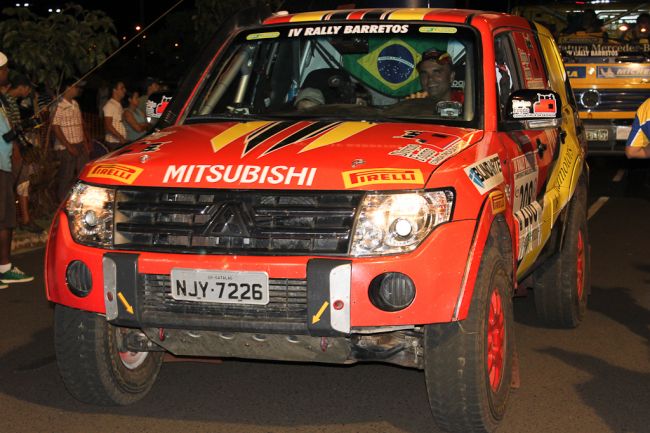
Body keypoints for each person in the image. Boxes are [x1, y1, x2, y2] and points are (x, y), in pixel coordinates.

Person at [0, 51, 34, 288]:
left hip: (4, 165)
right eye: (4, 69)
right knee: (3, 220)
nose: (6, 72)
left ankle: (4, 268)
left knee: (5, 220)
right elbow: (5, 134)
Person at [4, 74, 42, 233]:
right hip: (11, 150)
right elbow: (10, 128)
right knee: (18, 184)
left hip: (14, 148)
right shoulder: (7, 101)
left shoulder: (11, 102)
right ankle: (21, 219)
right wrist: (17, 149)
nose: (29, 92)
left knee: (22, 183)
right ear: (22, 87)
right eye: (28, 88)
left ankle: (24, 218)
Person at [51, 78, 90, 202]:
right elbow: (56, 128)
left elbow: (79, 125)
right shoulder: (58, 105)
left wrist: (85, 143)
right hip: (66, 147)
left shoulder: (75, 104)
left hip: (79, 144)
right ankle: (62, 203)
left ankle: (79, 200)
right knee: (66, 176)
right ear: (67, 88)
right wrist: (69, 146)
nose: (78, 89)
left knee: (83, 174)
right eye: (75, 86)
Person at [102, 80, 127, 149]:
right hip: (113, 142)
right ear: (114, 90)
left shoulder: (118, 104)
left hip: (119, 141)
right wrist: (120, 137)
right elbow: (108, 125)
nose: (125, 90)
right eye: (122, 88)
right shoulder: (110, 105)